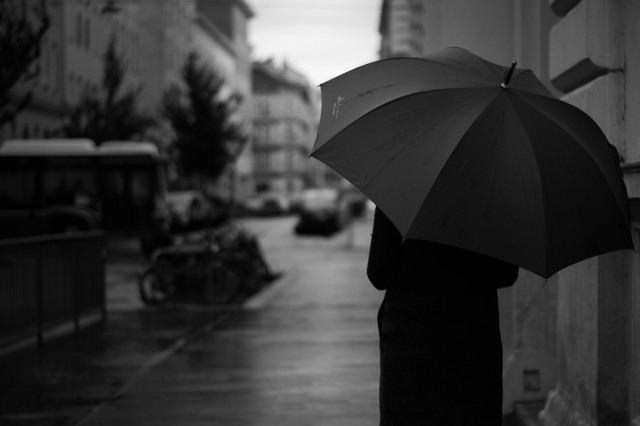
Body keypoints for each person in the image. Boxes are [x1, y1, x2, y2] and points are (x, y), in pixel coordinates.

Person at [367, 207, 519, 426]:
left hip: (411, 342)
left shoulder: (402, 191)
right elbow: (505, 274)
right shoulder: (494, 195)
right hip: (473, 342)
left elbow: (379, 275)